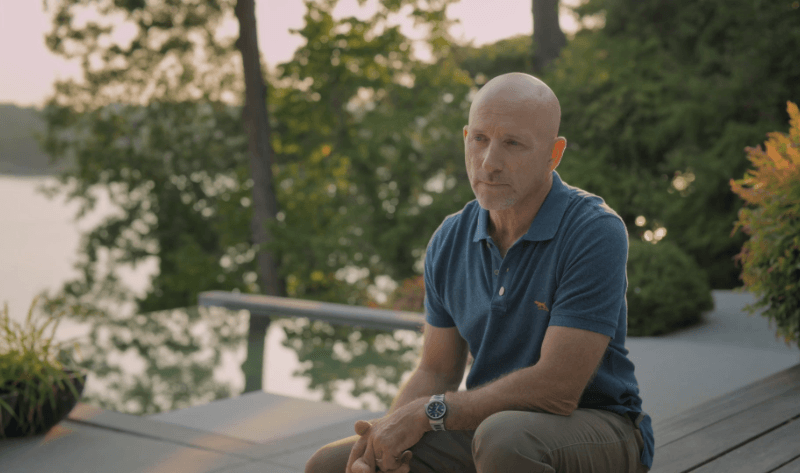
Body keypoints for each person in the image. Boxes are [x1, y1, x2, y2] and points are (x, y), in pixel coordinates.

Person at [305, 72, 654, 473]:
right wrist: (385, 443)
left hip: (600, 429)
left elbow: (558, 389)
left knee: (504, 440)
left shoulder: (593, 230)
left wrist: (426, 415)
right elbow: (436, 370)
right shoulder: (450, 238)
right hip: (486, 426)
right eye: (480, 139)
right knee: (330, 465)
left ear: (553, 155)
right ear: (465, 138)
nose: (490, 162)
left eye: (513, 143)